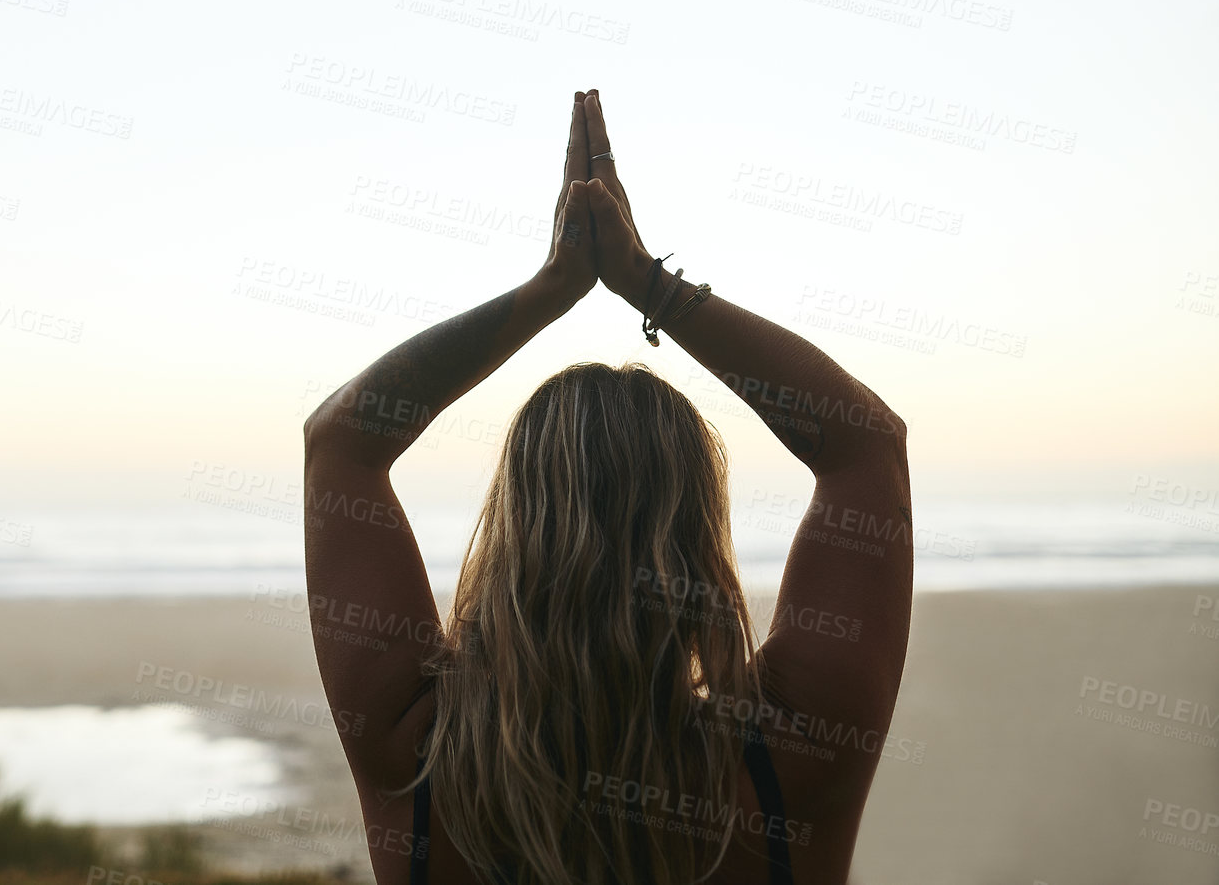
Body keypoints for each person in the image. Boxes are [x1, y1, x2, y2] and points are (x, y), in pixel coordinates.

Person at [301, 90, 912, 884]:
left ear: (516, 527)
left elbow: (341, 443)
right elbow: (867, 446)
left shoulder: (416, 752)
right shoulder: (788, 759)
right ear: (693, 541)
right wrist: (647, 283)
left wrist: (553, 285)